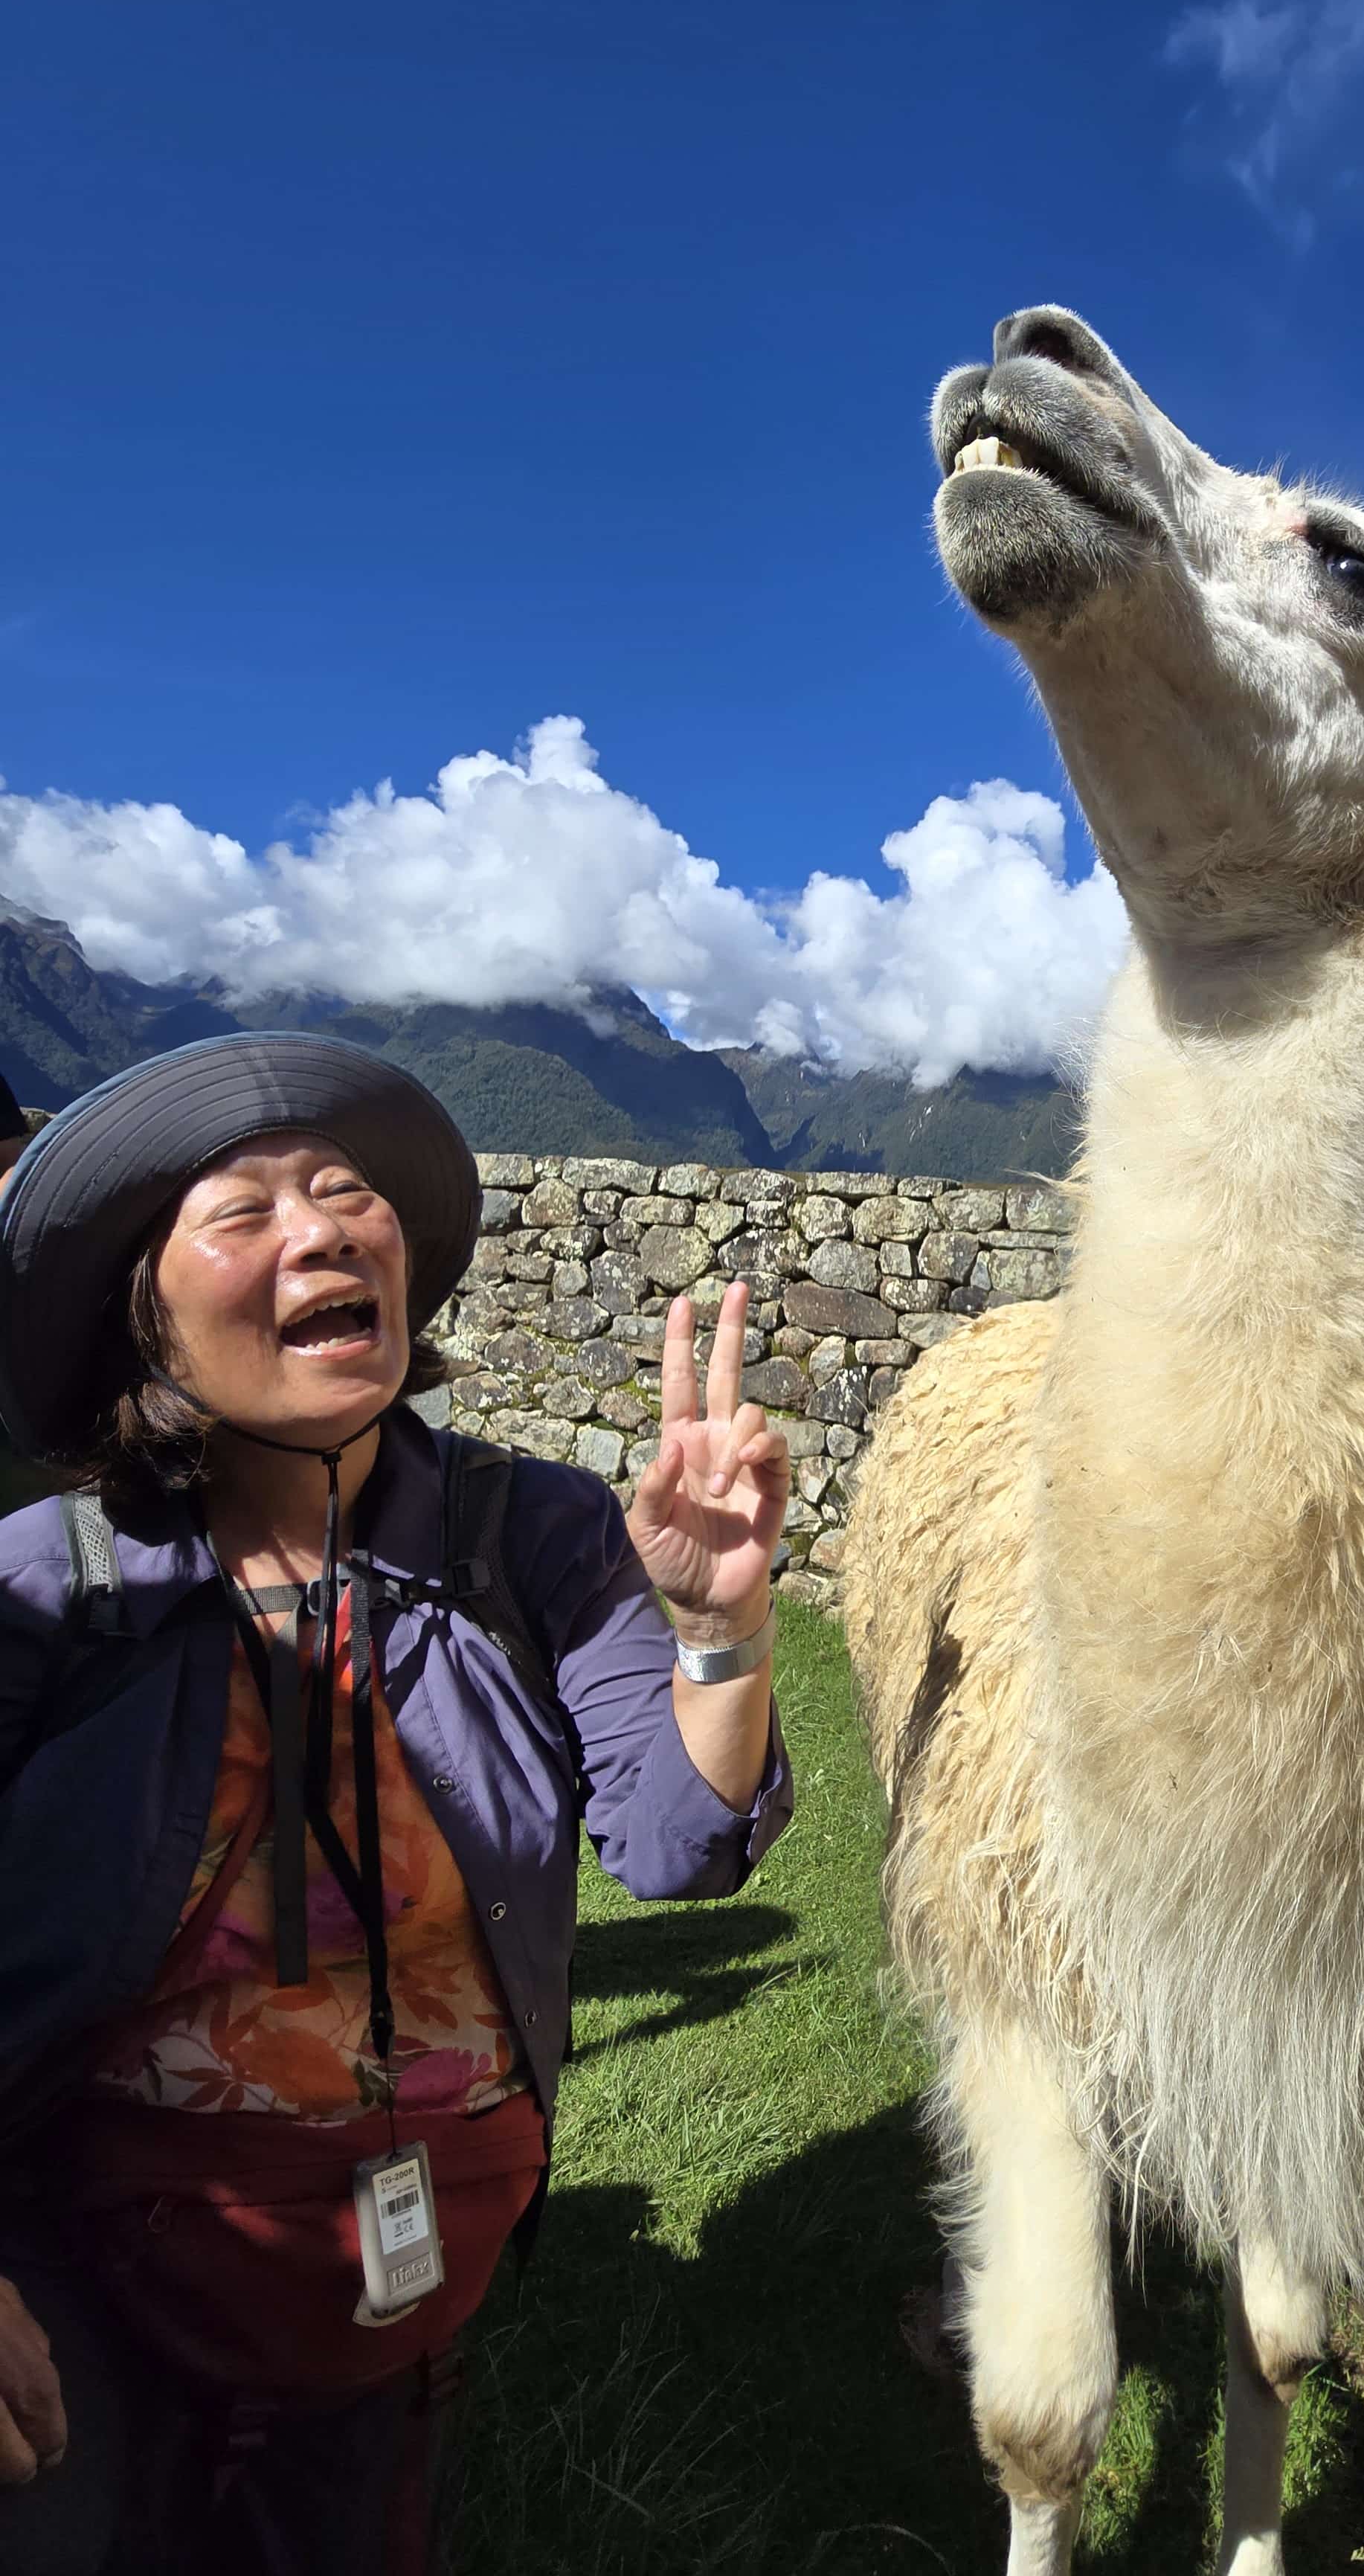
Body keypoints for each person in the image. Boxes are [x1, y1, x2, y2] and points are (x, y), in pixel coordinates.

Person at [0, 1033, 793, 2572]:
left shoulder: (527, 1535)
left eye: (348, 1194)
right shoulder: (53, 1587)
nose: (323, 1232)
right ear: (142, 1318)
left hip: (403, 2272)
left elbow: (677, 1845)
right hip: (85, 2275)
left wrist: (719, 1625)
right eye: (245, 1213)